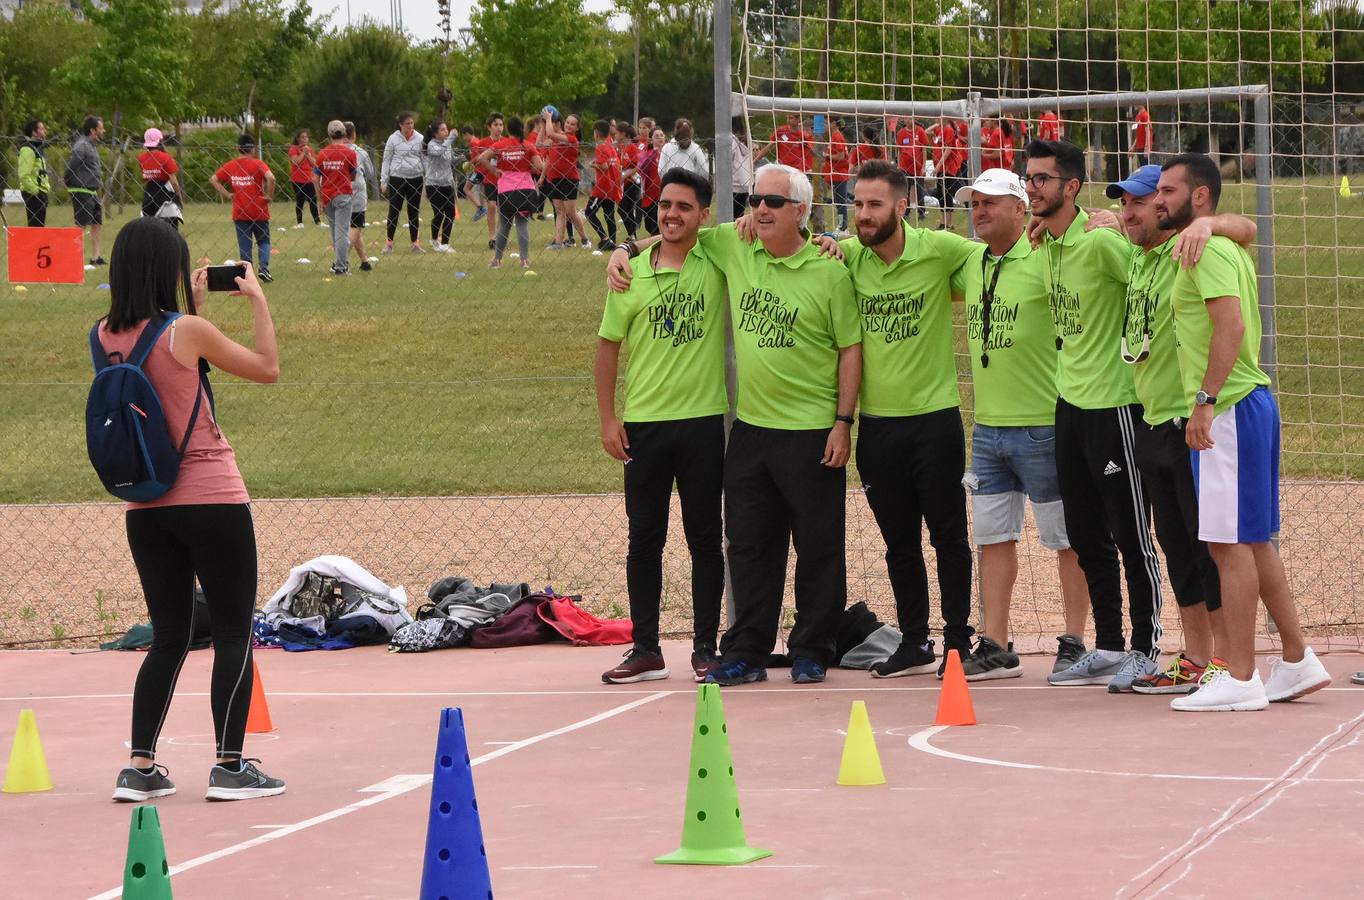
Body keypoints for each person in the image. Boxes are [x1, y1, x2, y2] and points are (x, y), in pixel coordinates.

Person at [609, 164, 863, 686]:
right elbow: (678, 228)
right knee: (748, 544)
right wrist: (624, 248)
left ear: (801, 211)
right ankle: (746, 649)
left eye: (773, 201)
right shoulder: (733, 244)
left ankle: (813, 646)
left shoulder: (829, 267)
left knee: (817, 545)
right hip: (750, 429)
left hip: (812, 430)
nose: (761, 209)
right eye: (754, 200)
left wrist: (842, 422)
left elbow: (850, 349)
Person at [99, 217, 283, 803]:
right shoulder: (189, 330)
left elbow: (162, 382)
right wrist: (255, 299)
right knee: (233, 631)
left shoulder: (102, 335)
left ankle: (141, 765)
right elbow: (266, 368)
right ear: (167, 268)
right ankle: (229, 764)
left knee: (170, 635)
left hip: (146, 502)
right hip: (211, 496)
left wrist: (193, 308)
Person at [1154, 154, 1332, 711]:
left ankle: (1241, 676)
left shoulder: (1204, 250)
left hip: (1228, 407)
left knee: (1225, 545)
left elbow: (1228, 326)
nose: (1158, 199)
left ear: (1200, 197)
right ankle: (1298, 659)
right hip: (1248, 404)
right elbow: (1244, 231)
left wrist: (1204, 402)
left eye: (1167, 191)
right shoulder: (1217, 242)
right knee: (1252, 539)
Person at [1103, 165, 1256, 693]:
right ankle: (1195, 655)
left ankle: (1227, 658)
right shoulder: (1137, 257)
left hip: (1185, 416)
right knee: (1173, 542)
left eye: (1142, 202)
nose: (1131, 212)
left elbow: (1247, 228)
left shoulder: (1187, 249)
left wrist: (1209, 225)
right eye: (1125, 204)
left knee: (1206, 543)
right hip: (1150, 415)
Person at [823, 159, 976, 678]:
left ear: (902, 206)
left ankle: (958, 640)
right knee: (899, 544)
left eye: (873, 205)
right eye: (857, 205)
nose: (862, 216)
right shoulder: (846, 258)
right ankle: (915, 641)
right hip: (878, 429)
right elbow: (791, 248)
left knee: (949, 536)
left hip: (935, 423)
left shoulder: (940, 250)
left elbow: (1004, 256)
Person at [1025, 139, 1164, 691]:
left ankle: (1147, 647)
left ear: (1071, 187)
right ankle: (1107, 645)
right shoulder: (1048, 245)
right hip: (1070, 405)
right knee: (1085, 534)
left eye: (1042, 178)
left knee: (1132, 531)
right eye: (1029, 177)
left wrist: (1121, 229)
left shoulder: (1100, 241)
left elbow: (1153, 270)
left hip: (1116, 406)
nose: (1032, 186)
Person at [950, 169, 1091, 680]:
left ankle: (1075, 639)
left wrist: (1100, 219)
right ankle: (995, 642)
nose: (980, 211)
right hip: (987, 428)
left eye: (991, 203)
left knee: (1066, 538)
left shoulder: (1044, 254)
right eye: (975, 203)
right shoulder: (968, 261)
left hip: (1044, 424)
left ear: (1019, 208)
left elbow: (1088, 244)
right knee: (991, 537)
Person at [595, 169, 727, 684]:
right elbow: (608, 349)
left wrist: (625, 242)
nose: (672, 214)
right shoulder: (629, 275)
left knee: (705, 539)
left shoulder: (716, 255)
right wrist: (608, 418)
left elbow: (761, 227)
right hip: (644, 427)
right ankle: (645, 649)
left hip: (701, 424)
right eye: (665, 204)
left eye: (684, 207)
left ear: (704, 215)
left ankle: (704, 647)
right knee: (644, 539)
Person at [475, 115, 543, 269]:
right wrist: (529, 167)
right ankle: (524, 261)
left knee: (504, 225)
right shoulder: (528, 146)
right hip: (526, 190)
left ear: (507, 129)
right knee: (522, 225)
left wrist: (494, 170)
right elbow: (540, 166)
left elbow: (481, 158)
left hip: (506, 191)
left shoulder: (500, 145)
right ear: (522, 129)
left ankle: (497, 260)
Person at [210, 133, 276, 284]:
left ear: (237, 148)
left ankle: (247, 275)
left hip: (240, 211)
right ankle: (264, 269)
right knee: (264, 240)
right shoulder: (258, 164)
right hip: (259, 209)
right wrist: (269, 196)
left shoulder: (231, 165)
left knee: (245, 244)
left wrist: (228, 194)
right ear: (253, 149)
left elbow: (213, 179)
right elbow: (271, 177)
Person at [540, 111, 590, 249]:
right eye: (567, 122)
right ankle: (558, 242)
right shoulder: (558, 138)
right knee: (560, 211)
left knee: (570, 212)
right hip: (554, 179)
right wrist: (544, 125)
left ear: (577, 128)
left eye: (572, 124)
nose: (569, 125)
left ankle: (585, 239)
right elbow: (540, 143)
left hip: (569, 179)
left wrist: (549, 118)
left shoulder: (571, 139)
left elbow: (550, 134)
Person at [315, 120, 358, 276]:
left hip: (327, 195)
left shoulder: (323, 153)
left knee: (335, 232)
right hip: (343, 195)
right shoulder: (350, 153)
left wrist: (319, 198)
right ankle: (341, 267)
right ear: (344, 133)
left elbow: (315, 177)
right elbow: (353, 174)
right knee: (342, 232)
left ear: (329, 135)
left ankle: (342, 262)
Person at [381, 111, 425, 254]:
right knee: (394, 210)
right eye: (407, 124)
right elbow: (386, 160)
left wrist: (427, 175)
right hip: (397, 178)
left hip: (416, 178)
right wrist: (384, 180)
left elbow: (424, 158)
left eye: (412, 123)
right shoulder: (393, 139)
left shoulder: (420, 138)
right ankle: (389, 243)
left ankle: (415, 243)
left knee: (414, 211)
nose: (410, 126)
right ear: (400, 125)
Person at [65, 115, 106, 266]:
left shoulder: (92, 145)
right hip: (81, 189)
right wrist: (68, 181)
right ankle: (72, 257)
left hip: (92, 191)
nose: (103, 131)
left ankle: (95, 257)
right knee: (80, 224)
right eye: (101, 128)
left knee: (97, 222)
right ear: (92, 130)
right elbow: (72, 166)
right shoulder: (81, 146)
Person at [344, 121, 379, 273]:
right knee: (356, 226)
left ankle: (364, 262)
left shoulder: (331, 151)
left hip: (338, 192)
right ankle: (340, 259)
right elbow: (370, 174)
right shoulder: (360, 152)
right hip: (357, 190)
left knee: (352, 228)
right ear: (354, 135)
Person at [585, 119, 623, 251]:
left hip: (602, 187)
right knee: (609, 214)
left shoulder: (600, 146)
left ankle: (605, 238)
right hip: (612, 185)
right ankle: (613, 241)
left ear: (596, 133)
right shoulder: (610, 145)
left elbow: (604, 166)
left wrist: (593, 164)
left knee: (589, 212)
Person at [137, 129, 185, 230]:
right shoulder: (166, 158)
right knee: (170, 230)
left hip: (149, 194)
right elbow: (174, 182)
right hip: (166, 193)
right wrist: (179, 196)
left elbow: (144, 178)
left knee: (150, 229)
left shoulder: (141, 158)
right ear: (160, 141)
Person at [424, 121, 457, 253]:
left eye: (446, 129)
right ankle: (433, 239)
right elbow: (438, 152)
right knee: (439, 213)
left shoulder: (447, 144)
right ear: (435, 133)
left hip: (447, 183)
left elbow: (450, 159)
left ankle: (445, 243)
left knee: (450, 213)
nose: (446, 132)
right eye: (442, 130)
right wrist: (450, 139)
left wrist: (460, 158)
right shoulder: (431, 145)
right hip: (433, 184)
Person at [930, 117, 967, 230]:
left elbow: (948, 149)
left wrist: (938, 166)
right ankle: (943, 222)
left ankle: (948, 223)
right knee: (941, 195)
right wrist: (936, 125)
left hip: (949, 168)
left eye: (939, 116)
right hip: (941, 168)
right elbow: (927, 131)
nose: (936, 118)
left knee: (947, 194)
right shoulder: (939, 130)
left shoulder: (948, 130)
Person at [895, 118, 930, 219]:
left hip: (918, 167)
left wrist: (923, 167)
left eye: (909, 118)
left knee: (920, 190)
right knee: (906, 190)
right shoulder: (901, 133)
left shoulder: (920, 131)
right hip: (905, 167)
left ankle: (921, 212)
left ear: (914, 119)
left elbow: (924, 150)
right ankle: (906, 212)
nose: (907, 120)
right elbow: (899, 150)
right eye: (905, 118)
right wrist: (899, 165)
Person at [18, 118, 49, 227]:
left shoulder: (38, 148)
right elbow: (23, 174)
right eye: (41, 129)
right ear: (34, 132)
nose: (44, 131)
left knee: (39, 226)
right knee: (35, 226)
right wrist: (35, 191)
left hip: (41, 191)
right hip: (33, 193)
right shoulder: (28, 149)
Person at [287, 129, 321, 228]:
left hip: (308, 178)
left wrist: (308, 155)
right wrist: (303, 153)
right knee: (300, 200)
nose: (305, 139)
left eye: (306, 137)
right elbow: (295, 162)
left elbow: (315, 164)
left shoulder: (309, 149)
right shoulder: (293, 148)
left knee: (313, 199)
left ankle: (317, 221)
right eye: (302, 137)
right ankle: (300, 222)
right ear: (298, 139)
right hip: (297, 179)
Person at [823, 119, 852, 233]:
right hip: (834, 174)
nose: (825, 125)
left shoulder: (837, 137)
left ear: (833, 123)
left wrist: (826, 155)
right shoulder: (833, 137)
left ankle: (843, 227)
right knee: (838, 201)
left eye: (826, 123)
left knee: (840, 202)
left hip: (839, 175)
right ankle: (842, 226)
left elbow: (841, 156)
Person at [616, 124, 643, 241]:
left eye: (617, 133)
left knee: (622, 209)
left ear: (623, 134)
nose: (615, 135)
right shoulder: (622, 147)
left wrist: (626, 175)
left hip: (634, 183)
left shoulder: (632, 147)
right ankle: (633, 236)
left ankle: (632, 235)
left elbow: (639, 166)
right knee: (626, 209)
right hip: (626, 183)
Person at [638, 127, 665, 236]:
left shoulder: (668, 154)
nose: (660, 138)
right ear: (651, 140)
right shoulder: (646, 154)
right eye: (656, 136)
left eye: (661, 135)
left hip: (663, 195)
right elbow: (642, 169)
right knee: (650, 225)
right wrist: (654, 153)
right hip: (649, 195)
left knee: (661, 224)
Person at [729, 116, 756, 220]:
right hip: (745, 182)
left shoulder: (730, 139)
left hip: (734, 183)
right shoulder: (746, 138)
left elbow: (728, 158)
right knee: (739, 215)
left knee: (731, 218)